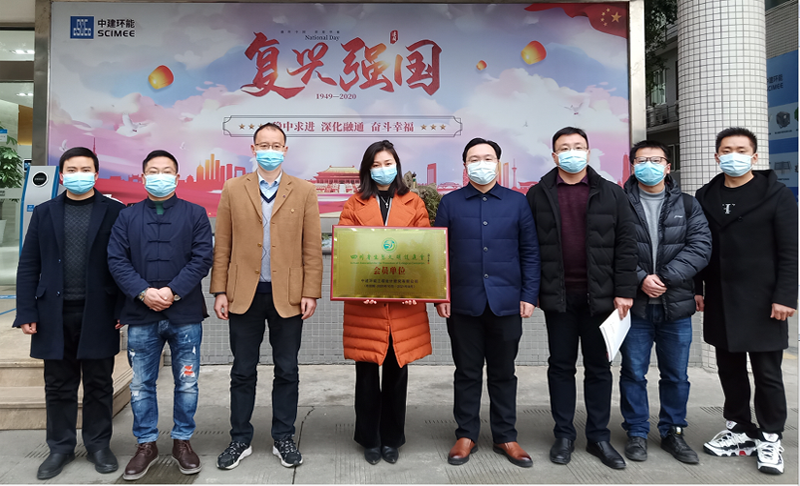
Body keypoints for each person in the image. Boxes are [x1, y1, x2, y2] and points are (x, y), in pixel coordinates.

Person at [211, 122, 323, 470]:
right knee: (242, 370)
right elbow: (223, 243)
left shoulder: (304, 190)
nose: (269, 151)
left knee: (287, 369)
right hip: (242, 294)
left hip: (288, 296)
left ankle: (283, 436)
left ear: (285, 150)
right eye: (264, 145)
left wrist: (311, 292)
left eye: (276, 145)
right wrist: (219, 290)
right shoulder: (233, 188)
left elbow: (311, 247)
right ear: (253, 149)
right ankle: (239, 438)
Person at [526, 127, 637, 469]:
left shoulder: (611, 192)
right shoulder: (538, 194)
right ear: (554, 155)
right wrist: (533, 291)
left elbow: (627, 245)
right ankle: (564, 435)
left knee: (599, 368)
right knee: (560, 367)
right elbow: (528, 246)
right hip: (558, 297)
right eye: (564, 148)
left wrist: (624, 291)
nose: (572, 152)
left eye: (578, 147)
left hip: (600, 299)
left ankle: (599, 437)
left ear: (588, 153)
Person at [14, 147, 125, 480]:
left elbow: (124, 263)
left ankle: (98, 445)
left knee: (99, 383)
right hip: (53, 313)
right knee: (58, 385)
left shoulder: (115, 211)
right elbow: (29, 264)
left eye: (86, 169)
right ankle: (60, 447)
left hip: (100, 312)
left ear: (96, 174)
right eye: (72, 170)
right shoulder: (45, 212)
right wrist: (27, 310)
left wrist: (124, 308)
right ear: (62, 175)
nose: (79, 175)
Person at [694, 127, 797, 475]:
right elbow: (700, 245)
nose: (733, 156)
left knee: (768, 373)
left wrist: (785, 295)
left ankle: (770, 436)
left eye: (741, 150)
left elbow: (790, 251)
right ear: (716, 156)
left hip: (765, 300)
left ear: (754, 156)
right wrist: (697, 287)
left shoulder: (776, 195)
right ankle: (739, 427)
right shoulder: (705, 195)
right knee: (730, 369)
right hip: (721, 297)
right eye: (726, 150)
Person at [434, 137, 540, 468]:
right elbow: (438, 254)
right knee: (466, 372)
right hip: (463, 303)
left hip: (506, 303)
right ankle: (466, 434)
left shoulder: (517, 202)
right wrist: (441, 295)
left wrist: (529, 295)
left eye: (488, 158)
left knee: (503, 373)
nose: (481, 163)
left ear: (498, 163)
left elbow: (530, 251)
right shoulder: (450, 203)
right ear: (465, 165)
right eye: (474, 158)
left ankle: (505, 435)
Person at [107, 150, 213, 481]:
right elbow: (116, 259)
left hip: (185, 314)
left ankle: (182, 440)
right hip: (141, 315)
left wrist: (172, 291)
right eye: (153, 171)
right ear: (142, 178)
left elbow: (202, 257)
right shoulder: (127, 216)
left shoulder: (195, 214)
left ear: (177, 178)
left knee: (187, 382)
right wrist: (143, 292)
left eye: (166, 171)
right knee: (141, 384)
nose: (160, 176)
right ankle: (146, 444)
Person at [337, 140, 432, 465]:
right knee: (366, 374)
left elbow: (424, 248)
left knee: (396, 372)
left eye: (388, 163)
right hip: (366, 304)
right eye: (376, 165)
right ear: (367, 169)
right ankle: (370, 439)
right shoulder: (354, 203)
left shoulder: (414, 202)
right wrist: (358, 284)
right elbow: (346, 250)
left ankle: (392, 438)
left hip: (404, 303)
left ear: (397, 166)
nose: (382, 170)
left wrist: (418, 284)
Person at [619, 140, 712, 464]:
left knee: (676, 375)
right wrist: (641, 278)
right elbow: (610, 247)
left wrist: (665, 278)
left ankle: (673, 431)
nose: (649, 165)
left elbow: (701, 246)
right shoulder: (619, 202)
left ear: (668, 166)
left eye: (656, 160)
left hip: (677, 305)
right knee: (633, 373)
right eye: (642, 160)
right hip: (635, 306)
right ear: (632, 165)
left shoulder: (688, 204)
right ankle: (636, 432)